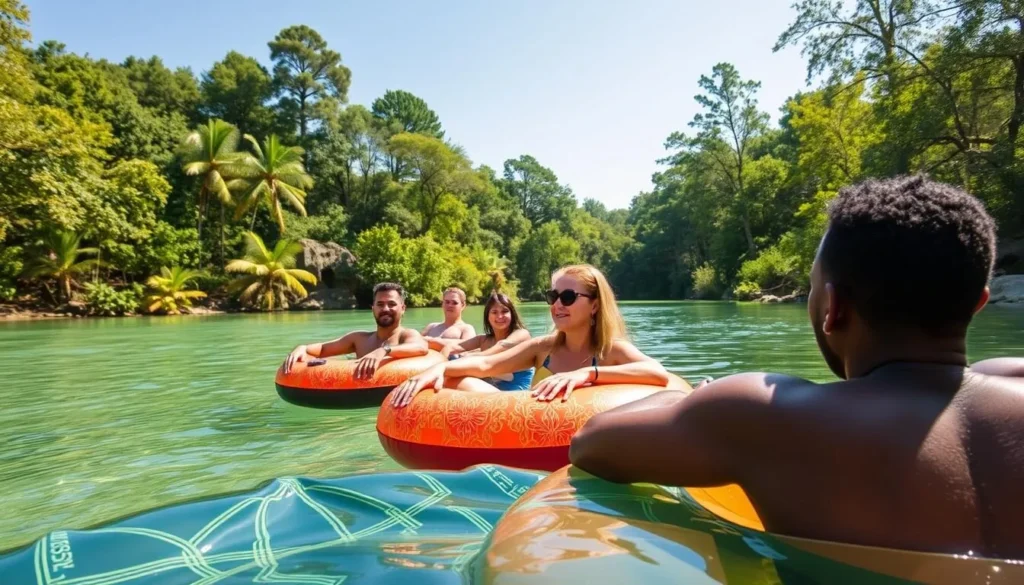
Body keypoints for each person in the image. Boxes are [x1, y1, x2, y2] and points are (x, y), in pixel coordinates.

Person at [568, 175, 1024, 558]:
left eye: (812, 288)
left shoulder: (765, 414)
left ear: (834, 308)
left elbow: (590, 444)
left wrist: (688, 397)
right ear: (978, 304)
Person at [390, 264, 686, 406]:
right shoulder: (542, 347)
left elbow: (657, 373)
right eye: (553, 296)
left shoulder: (611, 351)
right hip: (529, 427)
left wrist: (585, 375)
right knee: (457, 379)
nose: (557, 304)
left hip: (582, 443)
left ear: (595, 304)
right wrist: (437, 368)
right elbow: (483, 366)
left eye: (568, 296)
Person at [282, 282, 428, 379]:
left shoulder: (407, 335)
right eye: (380, 304)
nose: (385, 309)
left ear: (403, 309)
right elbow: (321, 349)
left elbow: (421, 348)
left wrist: (384, 350)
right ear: (373, 308)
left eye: (392, 304)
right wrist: (302, 348)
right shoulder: (358, 339)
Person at [429, 292, 535, 391]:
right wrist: (439, 365)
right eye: (494, 312)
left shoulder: (521, 334)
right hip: (493, 390)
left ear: (512, 314)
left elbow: (500, 347)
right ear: (488, 316)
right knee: (454, 377)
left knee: (461, 380)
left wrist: (469, 357)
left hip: (518, 393)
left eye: (505, 311)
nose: (500, 316)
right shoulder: (483, 339)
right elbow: (451, 347)